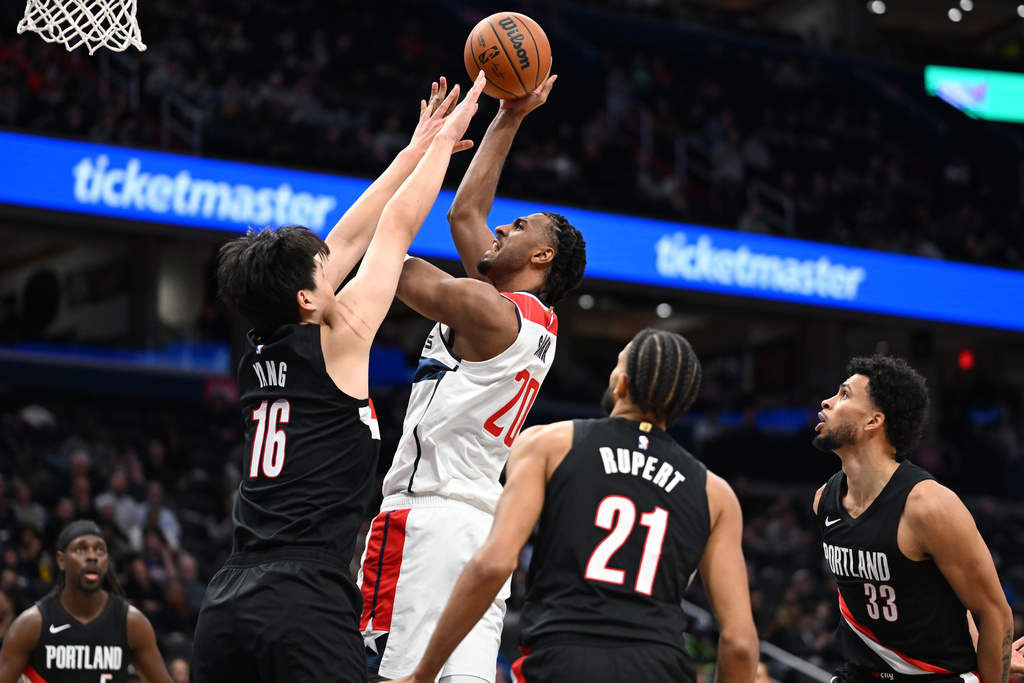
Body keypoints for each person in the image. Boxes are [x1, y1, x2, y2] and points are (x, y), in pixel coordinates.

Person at [188, 72, 487, 683]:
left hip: (227, 599)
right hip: (304, 594)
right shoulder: (341, 339)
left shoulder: (258, 347)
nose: (336, 269)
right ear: (305, 298)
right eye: (324, 273)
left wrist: (413, 147)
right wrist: (445, 142)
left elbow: (349, 236)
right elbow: (396, 228)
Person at [357, 74, 587, 683]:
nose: (503, 226)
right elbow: (466, 212)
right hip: (476, 530)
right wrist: (510, 114)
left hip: (427, 520)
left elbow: (394, 267)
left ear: (542, 258)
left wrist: (415, 161)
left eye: (521, 228)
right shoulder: (526, 320)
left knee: (386, 672)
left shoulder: (489, 312)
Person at [388, 328, 759, 683]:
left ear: (623, 383)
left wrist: (424, 673)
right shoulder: (716, 493)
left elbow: (495, 562)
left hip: (563, 658)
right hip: (661, 665)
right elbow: (741, 643)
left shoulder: (548, 443)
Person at [811, 355, 1014, 683]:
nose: (827, 402)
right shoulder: (824, 500)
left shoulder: (930, 506)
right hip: (858, 674)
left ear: (873, 421)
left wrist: (991, 665)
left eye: (844, 394)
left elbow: (993, 613)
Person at [0, 520, 173, 683]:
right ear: (61, 560)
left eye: (99, 550)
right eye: (81, 549)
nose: (92, 556)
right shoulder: (32, 624)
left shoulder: (131, 623)